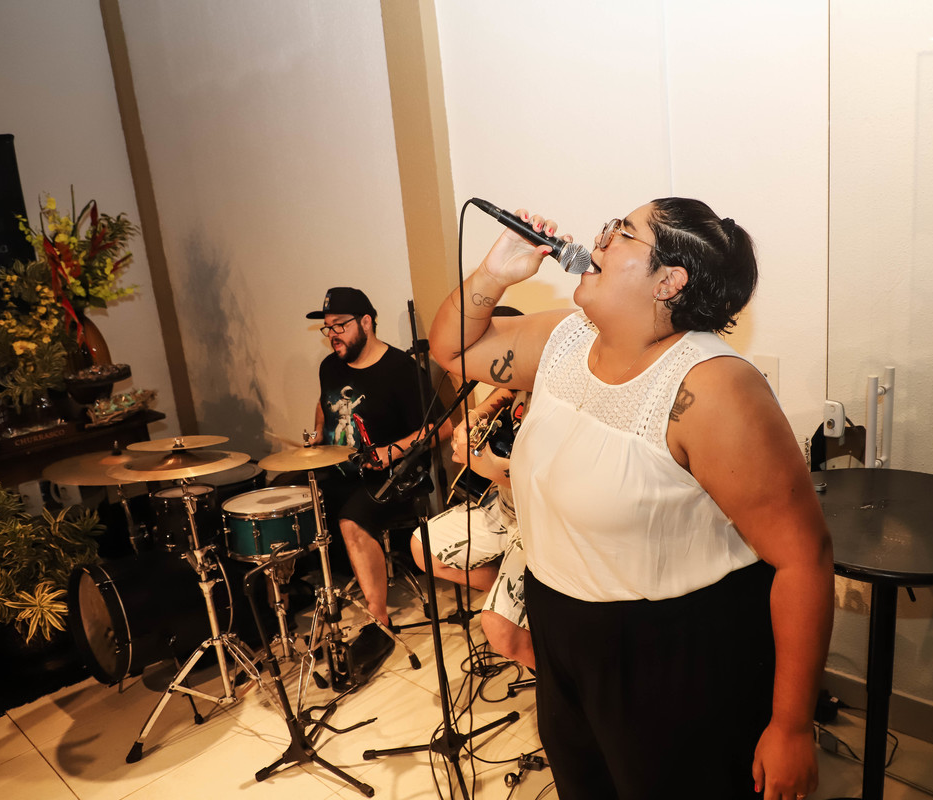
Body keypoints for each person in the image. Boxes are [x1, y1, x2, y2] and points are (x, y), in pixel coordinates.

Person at [429, 200, 834, 800]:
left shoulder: (714, 388)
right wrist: (493, 273)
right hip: (562, 624)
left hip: (669, 653)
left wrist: (792, 726)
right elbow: (453, 352)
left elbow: (804, 558)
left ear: (669, 281)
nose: (598, 239)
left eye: (621, 233)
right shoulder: (566, 338)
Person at [304, 287, 451, 635]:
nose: (332, 335)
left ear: (366, 322)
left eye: (339, 326)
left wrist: (391, 451)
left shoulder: (400, 369)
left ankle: (378, 618)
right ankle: (291, 601)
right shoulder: (330, 366)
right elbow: (324, 403)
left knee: (351, 520)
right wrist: (318, 434)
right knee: (287, 497)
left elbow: (441, 427)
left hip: (394, 478)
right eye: (328, 328)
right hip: (340, 472)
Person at [410, 384, 534, 669]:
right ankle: (515, 602)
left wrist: (483, 465)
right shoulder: (528, 366)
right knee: (424, 547)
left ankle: (568, 688)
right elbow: (508, 389)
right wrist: (477, 415)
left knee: (501, 631)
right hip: (504, 504)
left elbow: (541, 482)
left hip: (538, 519)